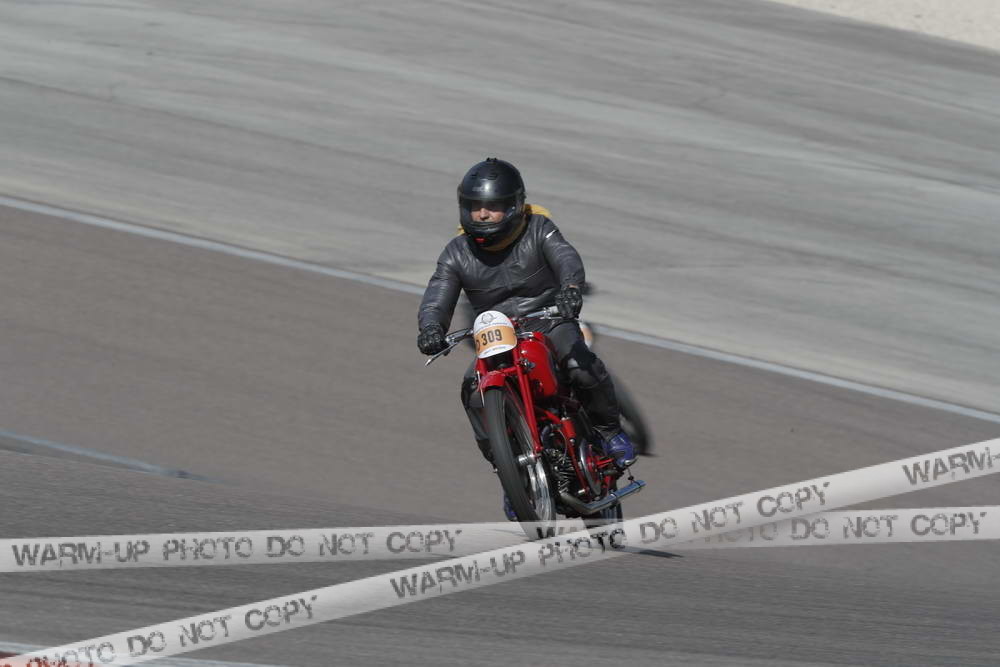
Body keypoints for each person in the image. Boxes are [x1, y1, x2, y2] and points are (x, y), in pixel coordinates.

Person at [417, 157, 636, 519]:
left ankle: (610, 433)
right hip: (496, 332)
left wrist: (570, 289)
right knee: (472, 390)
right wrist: (430, 327)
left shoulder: (539, 229)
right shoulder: (456, 252)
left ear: (514, 206)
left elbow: (566, 258)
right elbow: (438, 293)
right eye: (475, 207)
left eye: (493, 207)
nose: (482, 214)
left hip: (548, 320)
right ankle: (513, 477)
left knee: (577, 363)